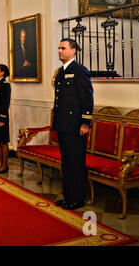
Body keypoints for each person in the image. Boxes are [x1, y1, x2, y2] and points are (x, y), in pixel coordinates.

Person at [53, 38, 94, 210]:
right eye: (59, 48)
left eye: (63, 48)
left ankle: (77, 199)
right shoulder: (61, 72)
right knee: (67, 163)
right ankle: (68, 196)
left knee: (76, 163)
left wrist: (85, 123)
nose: (60, 51)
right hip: (63, 124)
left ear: (73, 51)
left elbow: (87, 98)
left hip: (76, 126)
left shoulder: (80, 70)